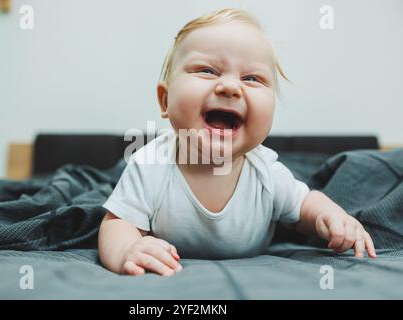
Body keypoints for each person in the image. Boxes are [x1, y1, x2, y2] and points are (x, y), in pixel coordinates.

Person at [98, 8, 376, 276]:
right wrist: (127, 249)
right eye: (207, 70)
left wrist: (330, 216)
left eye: (251, 78)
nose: (230, 87)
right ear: (165, 100)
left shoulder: (265, 170)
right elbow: (117, 223)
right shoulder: (150, 164)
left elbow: (304, 204)